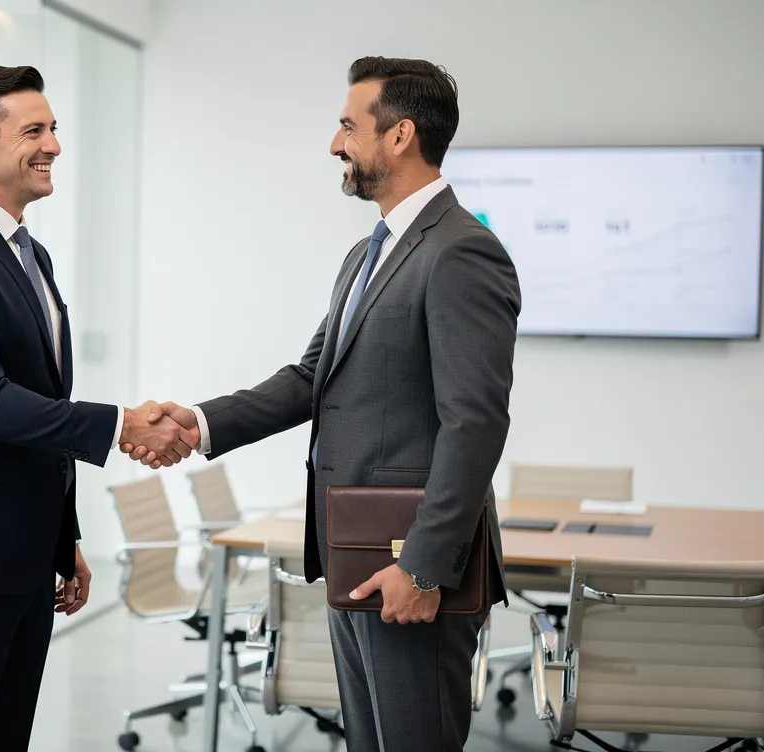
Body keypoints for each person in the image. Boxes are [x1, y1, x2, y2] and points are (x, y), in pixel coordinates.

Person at [124, 56, 519, 750]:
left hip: (408, 563)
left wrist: (424, 565)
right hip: (352, 555)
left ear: (398, 136)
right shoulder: (367, 255)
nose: (335, 144)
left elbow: (475, 422)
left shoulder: (461, 252)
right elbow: (313, 378)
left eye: (346, 125)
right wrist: (202, 421)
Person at [0, 65, 199, 752]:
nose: (54, 144)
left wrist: (63, 538)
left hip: (22, 554)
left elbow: (39, 404)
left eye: (54, 128)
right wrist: (120, 423)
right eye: (34, 130)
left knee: (1, 741)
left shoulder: (31, 254)